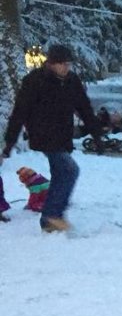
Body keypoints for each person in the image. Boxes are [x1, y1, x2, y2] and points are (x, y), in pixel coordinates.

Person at [1, 43, 101, 233]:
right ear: (51, 63)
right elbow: (19, 112)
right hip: (43, 135)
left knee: (60, 174)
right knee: (70, 170)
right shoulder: (35, 80)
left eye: (68, 64)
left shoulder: (71, 81)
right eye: (62, 64)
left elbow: (84, 108)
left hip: (63, 135)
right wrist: (9, 143)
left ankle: (51, 221)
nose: (66, 68)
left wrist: (96, 134)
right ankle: (52, 215)